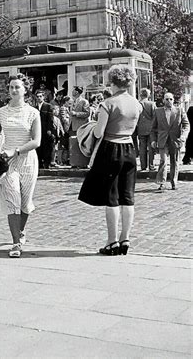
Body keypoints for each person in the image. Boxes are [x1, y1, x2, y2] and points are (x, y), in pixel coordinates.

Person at [78, 65, 142, 256]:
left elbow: (99, 132)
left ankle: (112, 241)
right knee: (128, 197)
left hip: (111, 149)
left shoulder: (107, 104)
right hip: (130, 149)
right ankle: (125, 238)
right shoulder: (136, 104)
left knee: (111, 197)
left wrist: (92, 126)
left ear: (112, 81)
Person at [0, 74, 41, 258]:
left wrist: (17, 151)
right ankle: (16, 242)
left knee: (25, 203)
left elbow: (36, 141)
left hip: (27, 160)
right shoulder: (1, 113)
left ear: (25, 90)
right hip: (7, 162)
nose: (13, 90)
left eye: (17, 87)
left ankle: (20, 231)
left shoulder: (33, 113)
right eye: (11, 87)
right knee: (13, 199)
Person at [151, 93, 190, 190]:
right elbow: (153, 128)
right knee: (163, 161)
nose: (169, 101)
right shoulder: (158, 111)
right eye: (167, 99)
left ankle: (174, 182)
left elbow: (186, 125)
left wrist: (183, 136)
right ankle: (162, 183)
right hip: (162, 140)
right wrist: (153, 140)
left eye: (171, 99)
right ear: (163, 100)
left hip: (175, 140)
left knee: (174, 161)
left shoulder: (179, 110)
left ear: (173, 100)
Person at [33, 89, 55, 169]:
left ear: (43, 97)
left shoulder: (48, 106)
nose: (39, 98)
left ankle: (47, 163)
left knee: (47, 147)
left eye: (40, 96)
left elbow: (50, 119)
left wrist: (49, 129)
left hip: (45, 129)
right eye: (37, 96)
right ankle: (40, 163)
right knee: (39, 147)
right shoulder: (34, 108)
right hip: (37, 130)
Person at [136, 88, 157, 171]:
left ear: (141, 95)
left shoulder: (137, 104)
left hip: (141, 128)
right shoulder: (152, 104)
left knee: (142, 147)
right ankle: (151, 165)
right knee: (151, 147)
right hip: (151, 129)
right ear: (148, 95)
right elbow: (155, 117)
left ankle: (143, 166)